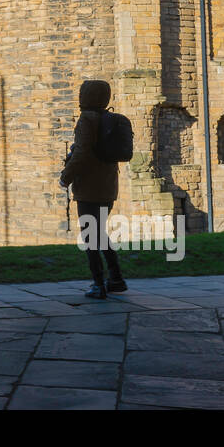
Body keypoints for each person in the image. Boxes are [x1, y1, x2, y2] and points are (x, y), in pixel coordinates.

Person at [58, 79, 128, 300]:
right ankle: (116, 278)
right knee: (98, 233)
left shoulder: (87, 119)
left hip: (89, 186)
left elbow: (82, 154)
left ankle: (99, 284)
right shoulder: (108, 119)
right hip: (107, 186)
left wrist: (65, 177)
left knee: (90, 236)